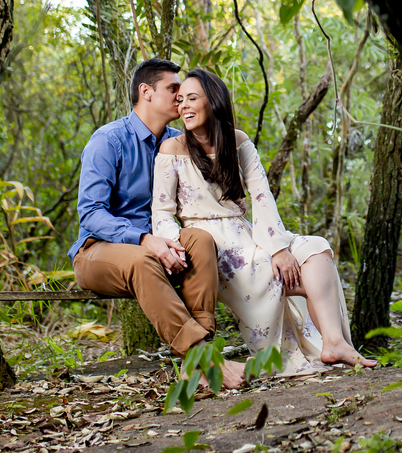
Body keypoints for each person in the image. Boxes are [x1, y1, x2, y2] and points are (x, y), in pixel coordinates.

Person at [153, 67, 377, 377]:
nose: (184, 107)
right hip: (209, 244)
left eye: (192, 98)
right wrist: (174, 246)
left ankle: (333, 342)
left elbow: (261, 196)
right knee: (286, 275)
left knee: (315, 249)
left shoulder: (237, 141)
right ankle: (299, 349)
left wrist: (278, 248)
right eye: (180, 101)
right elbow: (162, 211)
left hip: (248, 232)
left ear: (213, 100)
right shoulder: (172, 149)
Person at [69, 57, 246, 389]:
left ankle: (197, 366)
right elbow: (91, 213)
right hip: (98, 251)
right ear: (146, 92)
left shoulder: (180, 142)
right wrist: (144, 239)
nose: (180, 96)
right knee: (142, 259)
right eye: (173, 88)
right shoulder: (108, 140)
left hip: (161, 245)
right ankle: (204, 357)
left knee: (200, 240)